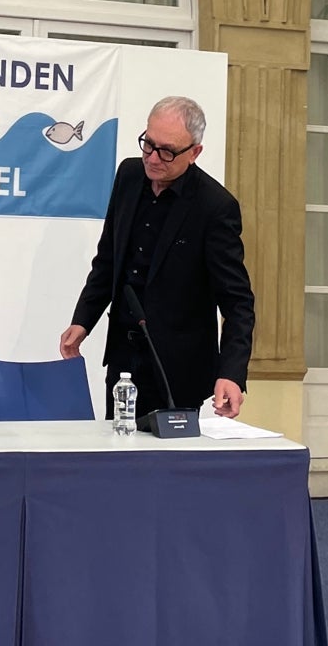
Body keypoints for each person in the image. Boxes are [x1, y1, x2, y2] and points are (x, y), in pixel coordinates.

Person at [59, 96, 254, 422]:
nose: (153, 158)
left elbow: (237, 302)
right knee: (117, 453)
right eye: (148, 144)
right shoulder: (129, 176)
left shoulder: (215, 207)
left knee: (165, 468)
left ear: (194, 153)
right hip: (123, 357)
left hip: (176, 370)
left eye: (167, 151)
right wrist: (83, 320)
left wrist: (231, 373)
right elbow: (108, 258)